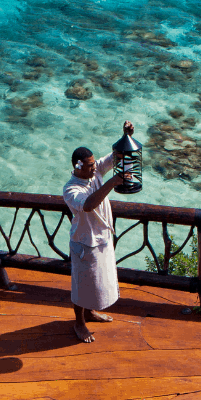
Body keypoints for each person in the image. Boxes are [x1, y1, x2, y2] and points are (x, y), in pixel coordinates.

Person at [62, 120, 136, 343]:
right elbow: (88, 204)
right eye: (89, 165)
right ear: (77, 166)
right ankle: (79, 323)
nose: (94, 168)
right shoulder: (70, 189)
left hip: (102, 238)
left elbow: (115, 156)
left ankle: (91, 312)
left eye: (95, 164)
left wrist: (126, 135)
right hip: (85, 242)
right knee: (81, 286)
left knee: (98, 281)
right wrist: (114, 181)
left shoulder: (95, 173)